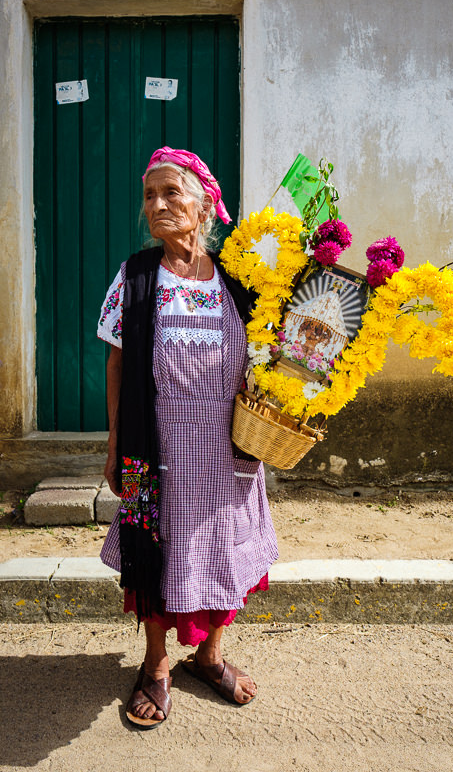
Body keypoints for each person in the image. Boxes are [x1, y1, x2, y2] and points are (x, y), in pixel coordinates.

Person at [97, 147, 278, 728]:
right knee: (154, 549)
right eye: (149, 195)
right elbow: (117, 363)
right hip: (155, 446)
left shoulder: (239, 281)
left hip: (226, 448)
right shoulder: (137, 274)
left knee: (223, 546)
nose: (157, 205)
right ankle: (155, 666)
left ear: (204, 204)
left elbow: (268, 360)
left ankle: (208, 656)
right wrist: (114, 444)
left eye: (171, 192)